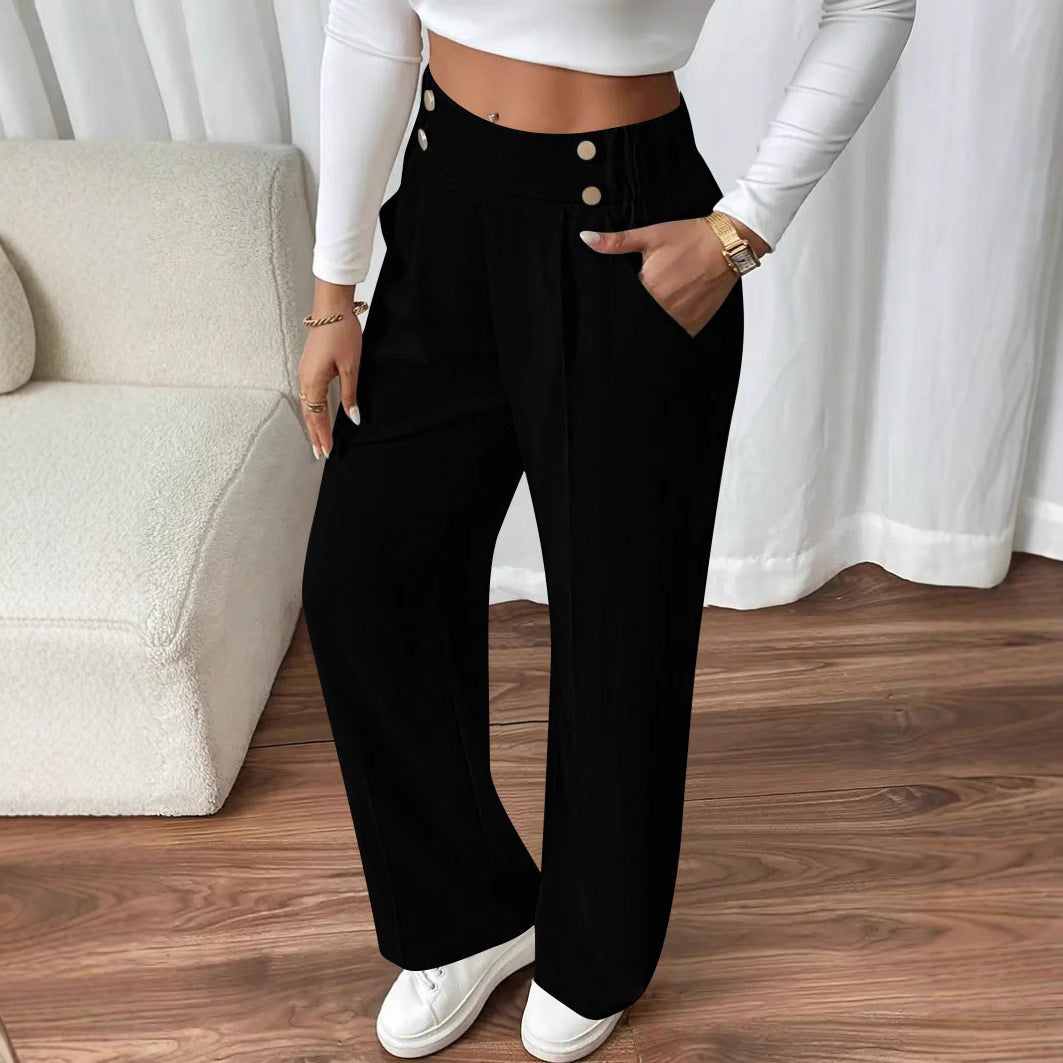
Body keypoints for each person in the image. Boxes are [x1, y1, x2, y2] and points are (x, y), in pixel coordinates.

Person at [299, 0, 917, 1058]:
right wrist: (333, 288)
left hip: (621, 221)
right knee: (364, 584)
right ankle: (467, 914)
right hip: (442, 203)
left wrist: (742, 228)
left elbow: (872, 9)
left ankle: (597, 949)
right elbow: (370, 25)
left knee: (619, 616)